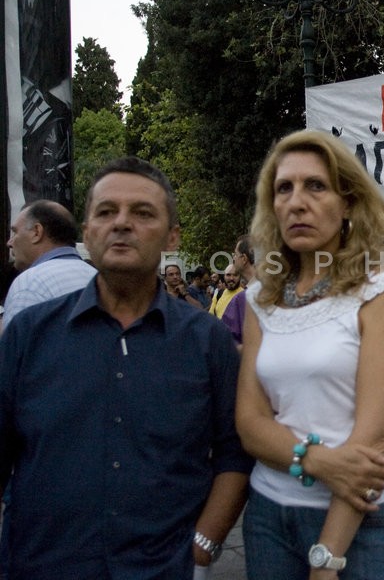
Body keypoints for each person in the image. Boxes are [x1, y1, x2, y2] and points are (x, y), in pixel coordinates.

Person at [0, 156, 252, 579]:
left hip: (164, 568)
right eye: (105, 212)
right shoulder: (29, 334)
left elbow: (234, 452)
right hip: (40, 563)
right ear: (87, 232)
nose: (121, 223)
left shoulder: (206, 341)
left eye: (142, 213)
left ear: (172, 235)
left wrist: (203, 547)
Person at [236, 129, 384, 580]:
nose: (297, 201)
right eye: (284, 188)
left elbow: (375, 439)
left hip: (362, 518)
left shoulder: (382, 290)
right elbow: (251, 424)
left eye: (316, 186)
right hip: (269, 515)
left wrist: (326, 559)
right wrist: (319, 461)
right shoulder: (260, 298)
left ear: (348, 202)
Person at [2, 199, 96, 327]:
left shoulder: (29, 284)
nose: (9, 243)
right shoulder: (98, 278)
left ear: (37, 232)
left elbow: (14, 346)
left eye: (15, 232)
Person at [221, 235, 256, 347]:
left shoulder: (241, 300)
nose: (234, 258)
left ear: (244, 259)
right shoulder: (280, 292)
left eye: (235, 254)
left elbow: (225, 343)